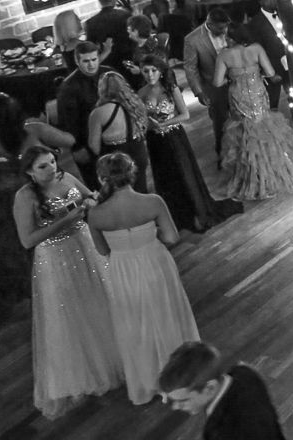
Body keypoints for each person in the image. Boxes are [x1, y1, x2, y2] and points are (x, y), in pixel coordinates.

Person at [12, 145, 122, 418]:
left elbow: (90, 197)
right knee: (71, 309)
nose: (52, 168)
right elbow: (27, 240)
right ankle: (87, 369)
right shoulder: (25, 197)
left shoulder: (67, 178)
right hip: (56, 256)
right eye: (43, 166)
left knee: (101, 297)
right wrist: (67, 219)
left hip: (85, 243)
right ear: (29, 172)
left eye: (52, 161)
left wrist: (95, 200)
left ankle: (117, 355)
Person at [85, 151, 197, 405]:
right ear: (132, 173)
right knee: (167, 314)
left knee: (136, 323)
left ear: (102, 178)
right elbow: (172, 237)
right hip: (154, 262)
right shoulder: (153, 202)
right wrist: (148, 234)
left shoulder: (96, 214)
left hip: (122, 269)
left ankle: (149, 379)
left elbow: (102, 250)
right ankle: (180, 374)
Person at [0, 94, 74, 303]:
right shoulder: (35, 130)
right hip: (39, 193)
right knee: (48, 234)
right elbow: (69, 140)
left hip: (2, 203)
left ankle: (27, 288)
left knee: (13, 246)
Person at [138, 55, 238, 233]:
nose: (150, 74)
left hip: (174, 137)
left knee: (184, 173)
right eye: (146, 71)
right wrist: (147, 125)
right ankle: (175, 216)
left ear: (160, 71)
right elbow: (141, 119)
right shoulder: (141, 93)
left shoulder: (171, 88)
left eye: (153, 70)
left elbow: (185, 114)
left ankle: (196, 212)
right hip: (155, 141)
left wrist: (164, 123)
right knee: (165, 177)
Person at [213, 23, 293, 201]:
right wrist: (256, 74)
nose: (225, 40)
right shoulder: (256, 49)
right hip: (258, 93)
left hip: (238, 97)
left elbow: (216, 82)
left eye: (227, 36)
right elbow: (270, 72)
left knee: (245, 135)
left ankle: (254, 181)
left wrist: (232, 79)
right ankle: (274, 176)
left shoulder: (224, 55)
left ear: (233, 37)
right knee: (265, 131)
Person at [158, 341, 287, 439]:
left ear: (210, 388)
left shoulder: (225, 432)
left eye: (183, 401)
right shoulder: (244, 372)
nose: (175, 407)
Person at [55, 41, 116, 188]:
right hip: (86, 142)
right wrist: (77, 148)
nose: (91, 65)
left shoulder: (109, 74)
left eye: (94, 59)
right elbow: (67, 122)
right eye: (86, 61)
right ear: (77, 61)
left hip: (114, 136)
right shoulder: (68, 87)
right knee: (97, 184)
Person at [88, 71, 150, 194]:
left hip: (117, 162)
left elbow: (94, 147)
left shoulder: (98, 113)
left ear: (101, 88)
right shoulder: (136, 105)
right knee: (141, 192)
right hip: (139, 153)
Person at [182, 8, 232, 160]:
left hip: (237, 81)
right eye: (220, 28)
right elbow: (190, 68)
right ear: (209, 24)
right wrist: (199, 92)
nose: (224, 31)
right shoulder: (192, 39)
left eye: (225, 27)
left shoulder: (230, 30)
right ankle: (221, 153)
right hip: (214, 87)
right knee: (220, 122)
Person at [244, 0, 288, 110]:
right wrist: (269, 72)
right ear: (263, 1)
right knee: (272, 102)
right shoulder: (255, 23)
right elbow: (258, 51)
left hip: (290, 64)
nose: (276, 0)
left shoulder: (284, 14)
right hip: (273, 67)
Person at [85, 0, 135, 78]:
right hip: (129, 58)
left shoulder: (91, 22)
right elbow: (135, 36)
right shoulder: (125, 15)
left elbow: (90, 47)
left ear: (100, 1)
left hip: (108, 63)